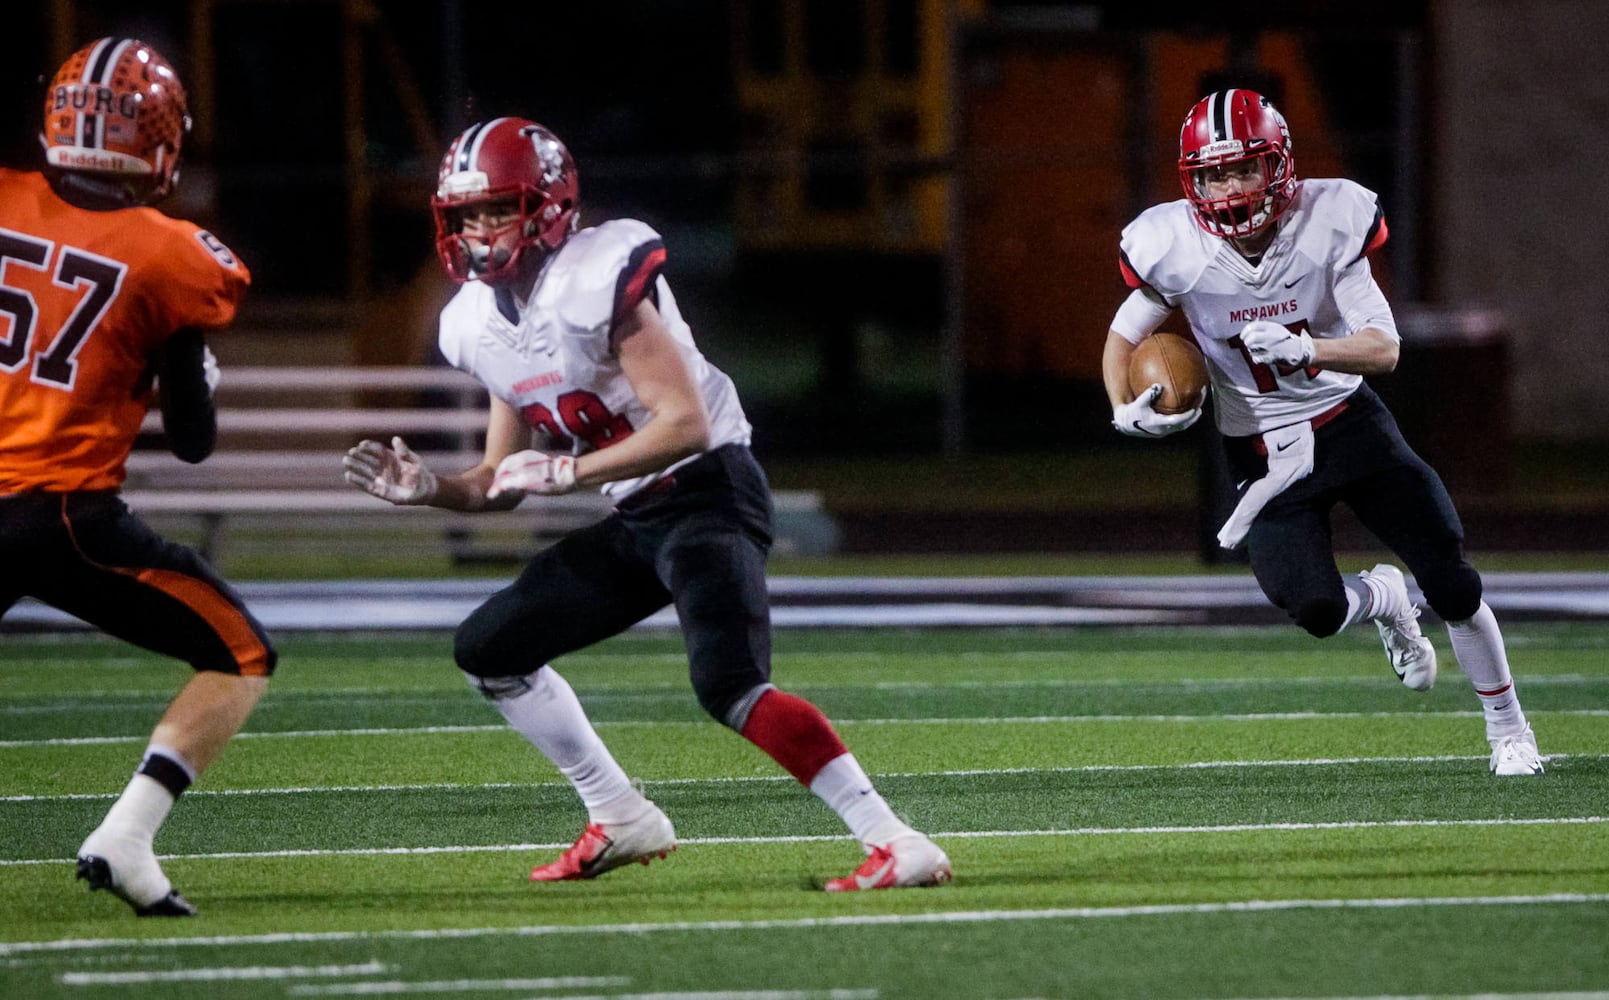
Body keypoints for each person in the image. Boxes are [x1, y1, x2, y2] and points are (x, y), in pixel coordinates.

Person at [342, 116, 952, 890]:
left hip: (709, 492)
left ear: (547, 205)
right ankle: (619, 814)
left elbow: (685, 423)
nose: (478, 231)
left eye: (497, 209)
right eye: (465, 215)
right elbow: (498, 479)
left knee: (729, 684)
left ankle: (897, 841)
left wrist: (574, 473)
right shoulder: (473, 325)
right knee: (489, 650)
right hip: (637, 516)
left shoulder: (596, 276)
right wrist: (434, 490)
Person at [1101, 89, 1544, 776]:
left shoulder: (1327, 220)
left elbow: (1383, 347)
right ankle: (1384, 600)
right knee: (1312, 605)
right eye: (1212, 174)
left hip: (1348, 427)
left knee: (1453, 582)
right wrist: (1120, 403)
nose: (1227, 188)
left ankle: (1508, 729)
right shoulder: (1174, 247)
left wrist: (1310, 350)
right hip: (1259, 448)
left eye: (1241, 168)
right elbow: (1124, 335)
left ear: (1277, 167)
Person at [0, 37, 276, 915]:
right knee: (240, 653)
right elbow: (191, 441)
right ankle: (125, 837)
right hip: (64, 517)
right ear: (158, 143)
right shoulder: (171, 257)